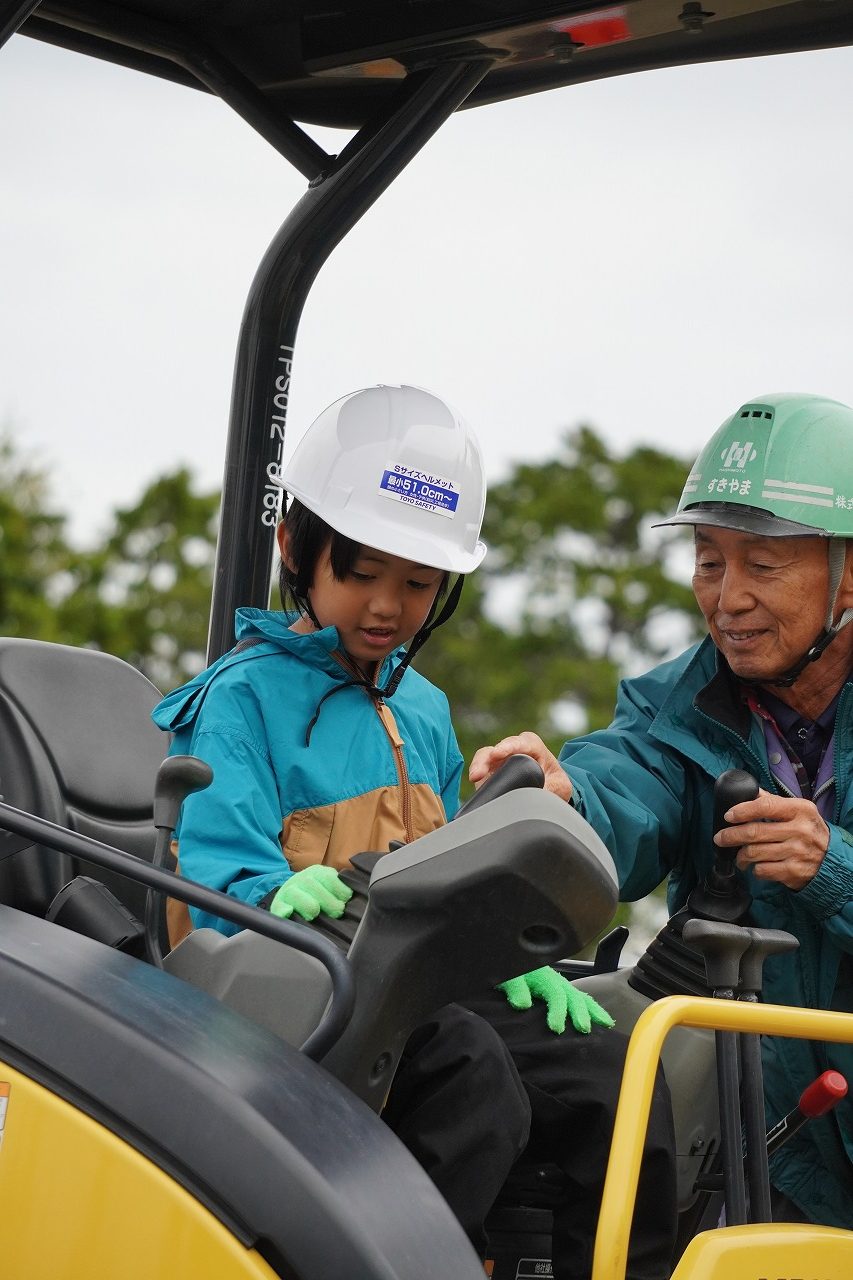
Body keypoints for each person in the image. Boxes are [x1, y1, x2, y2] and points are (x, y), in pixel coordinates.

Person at [152, 383, 677, 1279]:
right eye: (362, 573)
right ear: (295, 547)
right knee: (471, 1080)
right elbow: (209, 885)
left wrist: (514, 959)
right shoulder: (239, 698)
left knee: (613, 1073)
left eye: (418, 581)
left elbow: (455, 874)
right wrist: (274, 896)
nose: (388, 606)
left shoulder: (424, 711)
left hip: (417, 980)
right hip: (295, 984)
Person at [470, 391, 853, 1229]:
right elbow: (625, 790)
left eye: (762, 563)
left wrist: (833, 868)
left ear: (847, 572)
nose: (727, 596)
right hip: (772, 1146)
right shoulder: (674, 707)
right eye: (708, 560)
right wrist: (563, 798)